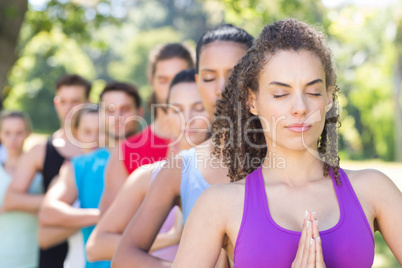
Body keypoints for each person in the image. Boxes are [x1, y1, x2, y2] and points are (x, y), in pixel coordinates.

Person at [172, 19, 402, 267]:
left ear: (327, 98)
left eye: (313, 92)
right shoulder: (219, 205)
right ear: (252, 102)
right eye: (281, 94)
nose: (300, 108)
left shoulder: (373, 190)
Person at [111, 24, 254, 267]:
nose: (221, 89)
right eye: (209, 78)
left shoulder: (283, 158)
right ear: (198, 83)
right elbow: (124, 256)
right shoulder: (180, 169)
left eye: (233, 75)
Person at [86, 69, 209, 262]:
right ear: (167, 115)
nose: (188, 118)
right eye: (177, 109)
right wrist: (170, 238)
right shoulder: (149, 175)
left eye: (199, 107)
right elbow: (95, 247)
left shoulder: (242, 174)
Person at [39, 82, 141, 268]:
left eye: (125, 109)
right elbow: (48, 212)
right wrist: (106, 215)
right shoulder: (80, 165)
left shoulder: (161, 161)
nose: (117, 117)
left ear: (139, 112)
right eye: (110, 110)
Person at [4, 74, 92, 268]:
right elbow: (12, 199)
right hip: (53, 250)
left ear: (89, 102)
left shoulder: (103, 149)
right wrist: (60, 206)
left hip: (93, 249)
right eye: (63, 101)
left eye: (75, 101)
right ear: (56, 103)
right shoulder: (41, 150)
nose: (68, 108)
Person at [100, 43, 194, 212]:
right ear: (152, 81)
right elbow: (109, 233)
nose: (171, 88)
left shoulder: (215, 144)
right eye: (163, 80)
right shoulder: (125, 153)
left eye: (178, 78)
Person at [0, 111, 43, 268]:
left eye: (19, 133)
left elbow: (50, 210)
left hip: (33, 254)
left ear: (28, 133)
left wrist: (14, 205)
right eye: (7, 133)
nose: (13, 139)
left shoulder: (40, 171)